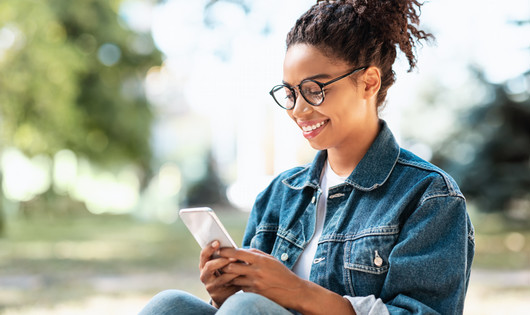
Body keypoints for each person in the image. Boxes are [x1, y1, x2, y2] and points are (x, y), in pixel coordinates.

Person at [139, 0, 475, 314]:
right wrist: (227, 293)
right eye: (290, 93)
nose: (298, 109)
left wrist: (293, 290)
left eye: (315, 89)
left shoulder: (428, 196)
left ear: (369, 82)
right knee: (169, 305)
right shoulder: (278, 194)